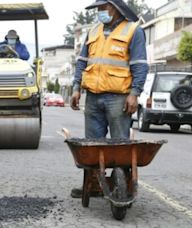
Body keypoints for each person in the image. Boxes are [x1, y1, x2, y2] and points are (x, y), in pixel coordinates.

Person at [70, 0, 148, 198]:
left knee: (119, 146)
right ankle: (93, 184)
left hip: (119, 98)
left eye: (103, 7)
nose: (99, 11)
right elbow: (82, 62)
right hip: (93, 98)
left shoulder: (133, 31)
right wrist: (76, 88)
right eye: (98, 8)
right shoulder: (93, 31)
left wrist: (134, 93)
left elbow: (139, 65)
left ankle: (121, 185)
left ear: (116, 8)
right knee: (92, 145)